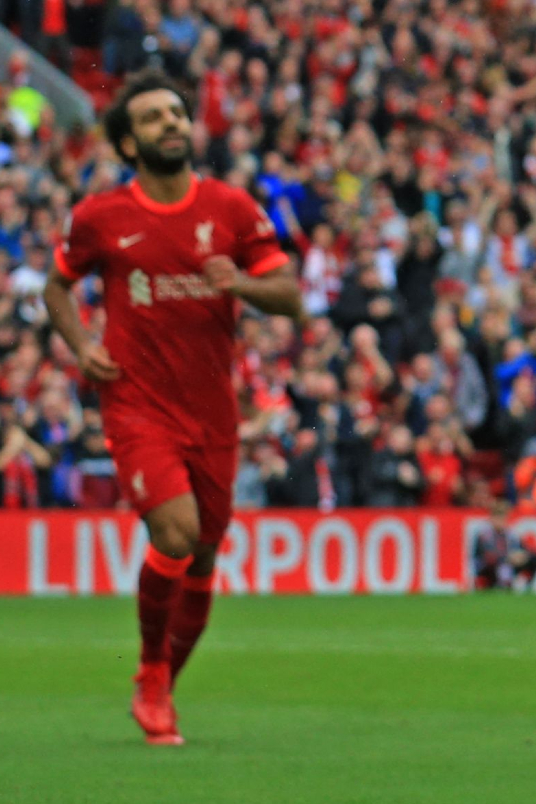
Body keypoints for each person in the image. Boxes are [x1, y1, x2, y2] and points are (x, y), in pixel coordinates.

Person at [44, 70, 300, 745]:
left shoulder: (233, 208)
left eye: (178, 114)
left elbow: (291, 296)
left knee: (207, 555)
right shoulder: (102, 217)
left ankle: (165, 681)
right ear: (129, 142)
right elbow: (57, 287)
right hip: (136, 403)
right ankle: (151, 673)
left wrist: (240, 282)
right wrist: (80, 345)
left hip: (212, 409)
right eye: (155, 117)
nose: (173, 124)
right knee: (178, 535)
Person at [471, 502, 536, 591]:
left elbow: (522, 548)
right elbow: (486, 556)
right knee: (499, 565)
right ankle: (498, 585)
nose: (500, 521)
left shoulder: (510, 534)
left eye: (503, 517)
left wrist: (522, 555)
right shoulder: (484, 535)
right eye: (498, 517)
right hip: (489, 568)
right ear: (491, 518)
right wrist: (508, 557)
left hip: (509, 563)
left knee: (535, 557)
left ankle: (528, 586)